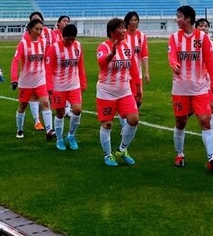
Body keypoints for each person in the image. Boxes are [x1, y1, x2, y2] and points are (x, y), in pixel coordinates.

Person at [168, 5, 213, 171]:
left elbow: (209, 63)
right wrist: (173, 63)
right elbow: (171, 55)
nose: (177, 19)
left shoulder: (203, 39)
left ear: (188, 19)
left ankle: (211, 158)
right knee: (181, 121)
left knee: (205, 121)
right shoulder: (174, 38)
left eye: (179, 16)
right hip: (180, 88)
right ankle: (180, 154)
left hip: (200, 88)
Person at [96, 17, 141, 166]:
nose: (124, 30)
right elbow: (102, 63)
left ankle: (122, 149)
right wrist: (111, 54)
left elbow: (133, 69)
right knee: (107, 124)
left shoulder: (127, 46)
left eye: (124, 27)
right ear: (111, 31)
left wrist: (138, 88)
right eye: (120, 28)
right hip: (106, 91)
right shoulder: (103, 47)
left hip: (124, 91)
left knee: (133, 120)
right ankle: (108, 155)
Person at [10, 17, 55, 140]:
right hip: (26, 81)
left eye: (41, 29)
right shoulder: (23, 44)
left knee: (45, 103)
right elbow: (15, 61)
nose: (39, 31)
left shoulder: (43, 43)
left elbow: (47, 60)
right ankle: (19, 129)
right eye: (37, 29)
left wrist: (49, 79)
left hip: (40, 80)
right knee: (23, 105)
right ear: (30, 29)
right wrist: (14, 78)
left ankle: (49, 130)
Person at [45, 21, 86, 151]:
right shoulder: (54, 48)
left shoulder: (78, 46)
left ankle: (71, 135)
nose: (70, 41)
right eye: (68, 38)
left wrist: (83, 82)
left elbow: (80, 66)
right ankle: (59, 139)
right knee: (60, 113)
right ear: (63, 36)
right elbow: (49, 68)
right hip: (59, 87)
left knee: (77, 110)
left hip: (74, 85)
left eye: (73, 38)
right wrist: (49, 86)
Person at [194, 17, 213, 148]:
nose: (204, 28)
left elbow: (212, 63)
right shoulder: (193, 42)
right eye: (200, 25)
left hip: (208, 81)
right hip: (193, 82)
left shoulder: (212, 44)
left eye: (206, 25)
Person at [26, 12, 48, 130]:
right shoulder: (26, 37)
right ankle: (37, 121)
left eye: (38, 20)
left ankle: (44, 120)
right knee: (35, 96)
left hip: (46, 68)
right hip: (33, 71)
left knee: (45, 97)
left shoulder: (48, 33)